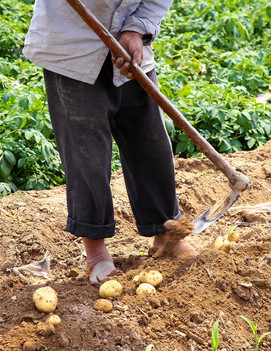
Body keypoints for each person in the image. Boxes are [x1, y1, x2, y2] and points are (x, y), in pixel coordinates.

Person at [23, 0, 197, 282]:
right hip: (72, 47)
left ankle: (166, 234)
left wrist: (136, 29)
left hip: (131, 48)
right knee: (86, 153)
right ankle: (97, 254)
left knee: (149, 141)